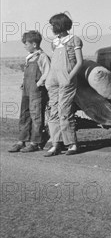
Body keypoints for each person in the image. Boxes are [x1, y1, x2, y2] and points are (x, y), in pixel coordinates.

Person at [44, 13, 84, 157]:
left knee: (64, 111)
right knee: (53, 111)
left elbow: (79, 62)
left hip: (66, 79)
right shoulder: (54, 42)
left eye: (53, 25)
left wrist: (69, 78)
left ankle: (72, 143)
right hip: (53, 80)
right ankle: (56, 144)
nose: (51, 28)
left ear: (59, 25)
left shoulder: (74, 40)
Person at [8, 31, 51, 153]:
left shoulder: (42, 57)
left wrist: (38, 83)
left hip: (37, 92)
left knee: (36, 116)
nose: (24, 46)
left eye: (26, 43)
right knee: (24, 115)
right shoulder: (30, 57)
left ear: (34, 44)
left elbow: (48, 72)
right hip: (27, 90)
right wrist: (24, 83)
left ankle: (35, 142)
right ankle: (21, 141)